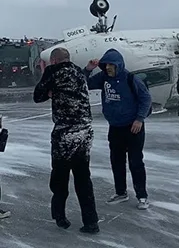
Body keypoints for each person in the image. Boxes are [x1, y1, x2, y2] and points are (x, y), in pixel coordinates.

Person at [33, 47, 99, 233]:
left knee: (60, 176)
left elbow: (37, 96)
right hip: (85, 131)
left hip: (65, 132)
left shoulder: (53, 72)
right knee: (83, 177)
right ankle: (91, 221)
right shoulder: (78, 71)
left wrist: (48, 92)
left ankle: (60, 216)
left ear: (53, 60)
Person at [83, 48, 152, 210]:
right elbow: (84, 83)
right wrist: (87, 70)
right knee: (117, 161)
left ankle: (142, 196)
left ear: (118, 65)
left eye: (111, 65)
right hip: (115, 127)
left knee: (135, 162)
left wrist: (139, 119)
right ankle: (121, 192)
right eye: (105, 65)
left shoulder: (130, 78)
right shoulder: (103, 78)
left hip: (133, 127)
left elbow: (145, 98)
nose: (108, 68)